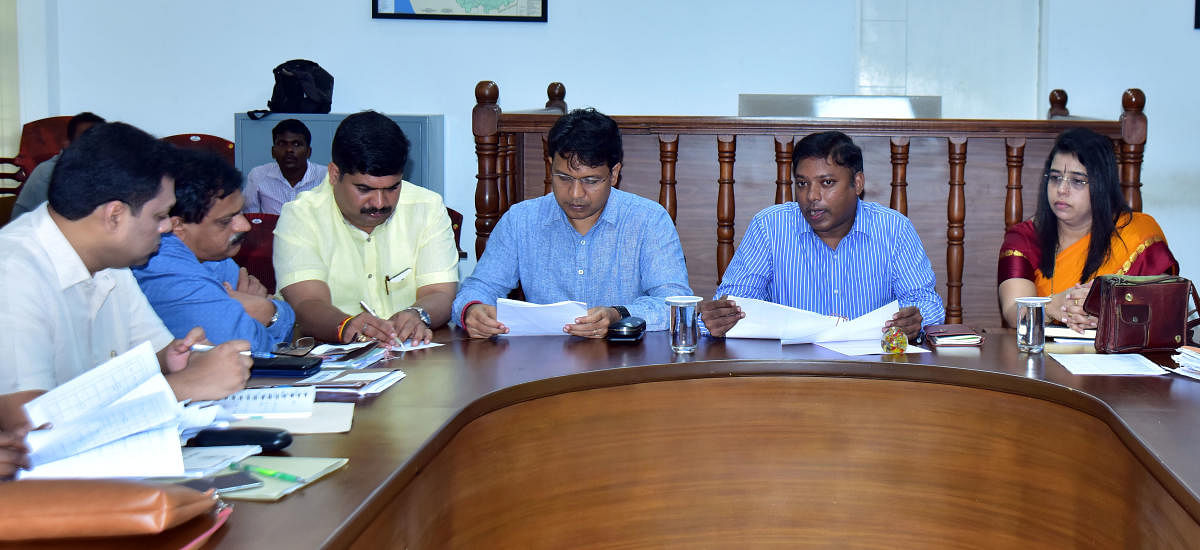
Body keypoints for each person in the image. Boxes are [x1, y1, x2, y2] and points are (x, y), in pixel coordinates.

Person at [0, 122, 251, 401]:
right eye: (159, 216)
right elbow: (27, 424)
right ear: (115, 215)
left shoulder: (111, 261)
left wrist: (183, 359)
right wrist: (182, 387)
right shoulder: (12, 270)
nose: (168, 227)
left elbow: (154, 351)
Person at [453, 108, 691, 338]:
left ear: (615, 173)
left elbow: (676, 304)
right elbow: (477, 289)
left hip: (624, 363)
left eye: (590, 180)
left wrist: (619, 315)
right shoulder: (521, 221)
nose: (576, 194)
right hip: (542, 364)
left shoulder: (648, 220)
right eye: (564, 178)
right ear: (550, 166)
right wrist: (473, 311)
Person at [700, 131, 944, 340]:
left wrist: (915, 320)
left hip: (873, 370)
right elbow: (737, 303)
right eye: (802, 184)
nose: (812, 196)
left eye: (826, 182)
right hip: (790, 373)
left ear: (857, 183)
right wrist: (718, 318)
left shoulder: (894, 229)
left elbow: (927, 303)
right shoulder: (770, 228)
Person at [275, 111, 459, 346]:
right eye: (364, 189)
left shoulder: (427, 207)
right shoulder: (300, 215)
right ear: (334, 174)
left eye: (392, 188)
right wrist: (346, 325)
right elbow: (306, 304)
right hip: (331, 359)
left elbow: (441, 293)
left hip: (411, 356)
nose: (380, 203)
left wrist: (417, 314)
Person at [997, 127, 1178, 331]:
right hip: (1044, 357)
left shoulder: (1137, 233)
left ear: (1101, 185)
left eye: (1077, 181)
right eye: (1055, 177)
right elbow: (1013, 312)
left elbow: (1167, 305)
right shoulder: (1025, 238)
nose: (1061, 190)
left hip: (1120, 356)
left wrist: (1113, 308)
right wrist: (1050, 306)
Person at [133, 149, 296, 353]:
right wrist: (265, 312)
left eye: (241, 212)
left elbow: (281, 339)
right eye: (225, 221)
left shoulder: (213, 256)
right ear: (177, 227)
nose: (244, 226)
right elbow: (248, 349)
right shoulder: (161, 264)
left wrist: (269, 311)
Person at [9, 112, 106, 221]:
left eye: (98, 141)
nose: (92, 147)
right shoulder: (50, 173)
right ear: (68, 144)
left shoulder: (99, 170)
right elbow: (66, 221)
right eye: (85, 140)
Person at [243, 119, 326, 215]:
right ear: (273, 152)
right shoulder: (258, 176)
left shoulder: (326, 178)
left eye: (296, 144)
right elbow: (251, 218)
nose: (289, 150)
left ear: (308, 152)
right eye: (282, 144)